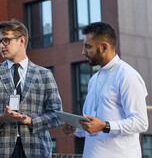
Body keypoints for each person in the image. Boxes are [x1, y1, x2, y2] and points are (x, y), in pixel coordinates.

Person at [0, 20, 63, 158]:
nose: (1, 46)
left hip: (36, 150)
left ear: (21, 41)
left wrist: (31, 120)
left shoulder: (44, 74)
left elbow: (57, 116)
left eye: (6, 40)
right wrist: (1, 118)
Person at [62, 22, 148, 158]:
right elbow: (92, 126)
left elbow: (141, 123)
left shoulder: (128, 76)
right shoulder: (93, 79)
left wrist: (105, 126)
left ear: (104, 47)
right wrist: (75, 129)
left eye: (88, 46)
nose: (83, 52)